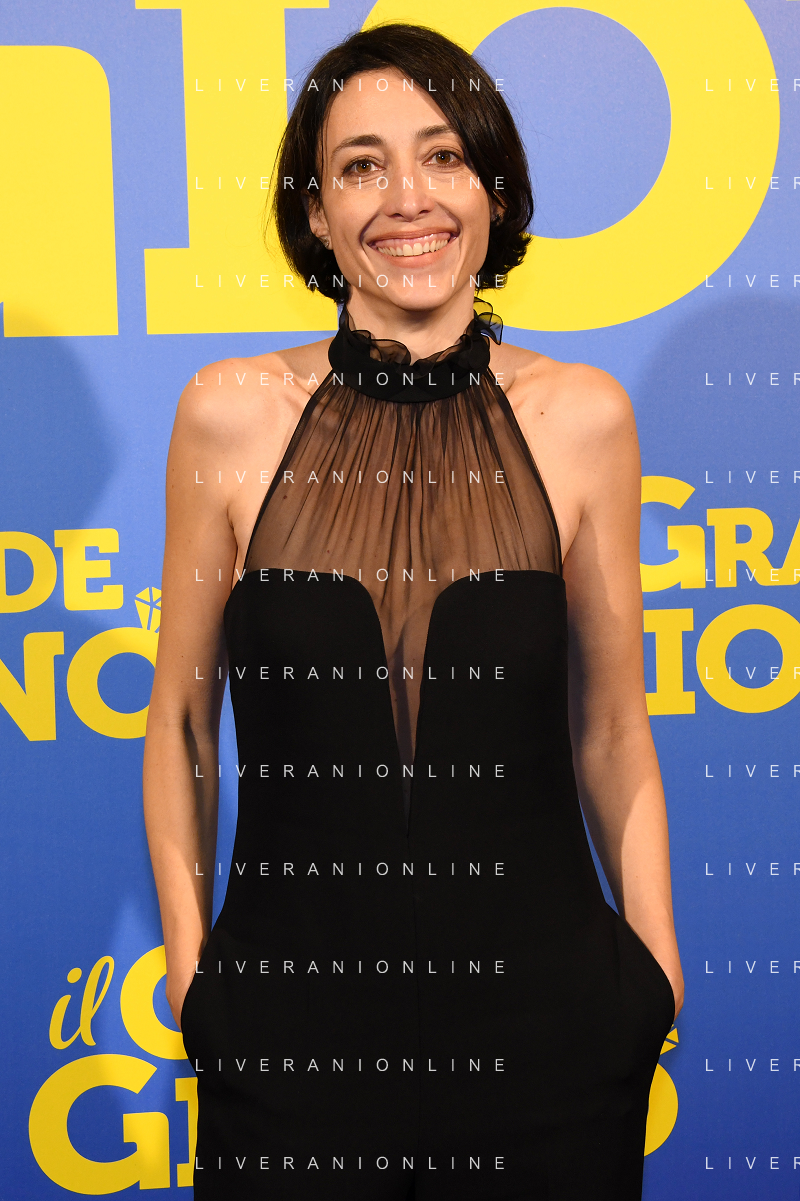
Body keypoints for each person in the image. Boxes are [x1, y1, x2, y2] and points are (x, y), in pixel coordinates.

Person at [143, 22, 684, 1200]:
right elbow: (181, 725)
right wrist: (195, 977)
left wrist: (654, 969)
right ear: (317, 212)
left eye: (442, 156)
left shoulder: (584, 418)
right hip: (287, 1044)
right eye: (360, 166)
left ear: (493, 191)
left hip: (550, 1042)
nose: (407, 198)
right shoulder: (224, 414)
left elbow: (610, 725)